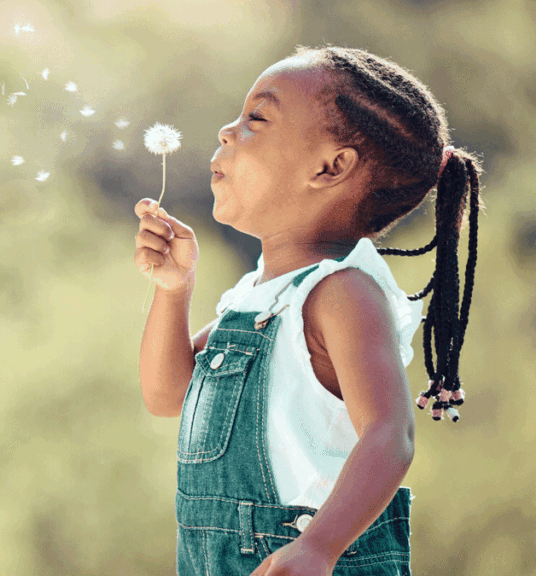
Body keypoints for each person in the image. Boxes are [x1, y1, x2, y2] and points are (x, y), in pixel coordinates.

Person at [134, 45, 485, 576]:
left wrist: (319, 546)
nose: (227, 132)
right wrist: (173, 289)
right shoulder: (257, 295)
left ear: (330, 167)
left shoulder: (342, 293)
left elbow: (390, 434)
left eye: (256, 118)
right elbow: (166, 397)